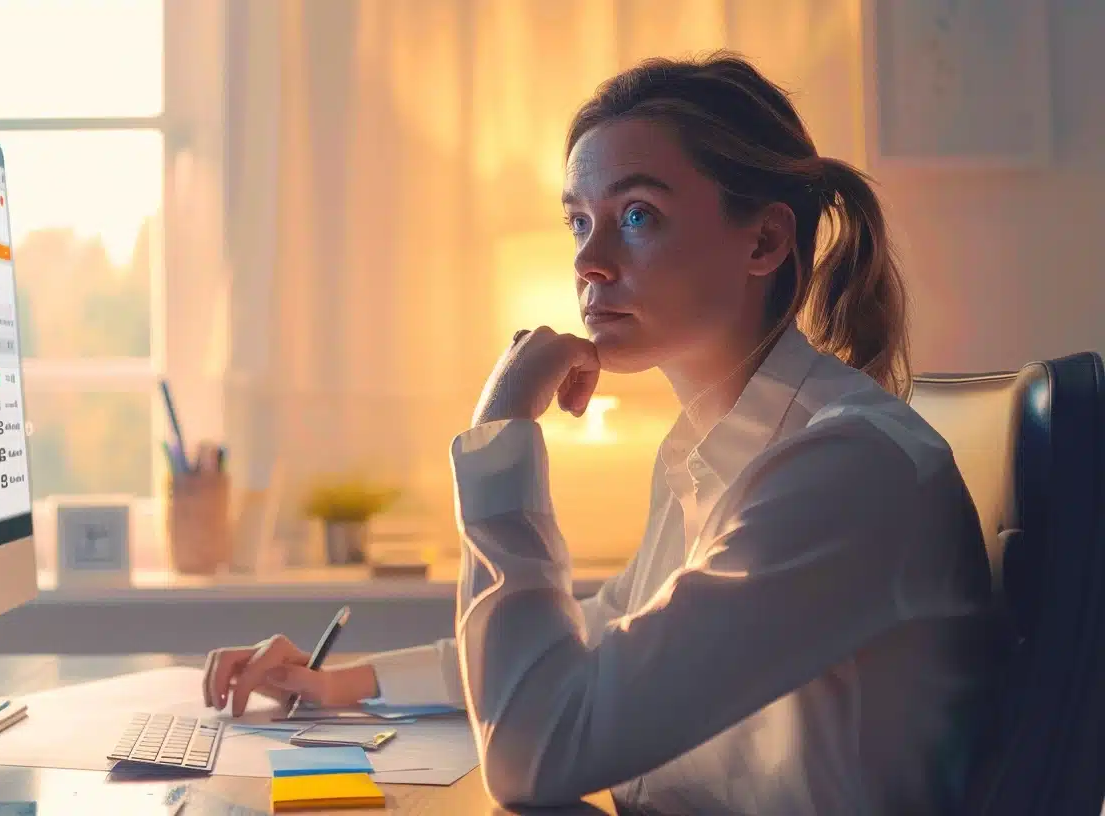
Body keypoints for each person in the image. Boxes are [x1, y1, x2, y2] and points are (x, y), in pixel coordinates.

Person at [202, 53, 1000, 814]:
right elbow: (600, 637)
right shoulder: (708, 449)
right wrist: (343, 682)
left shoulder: (840, 470)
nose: (589, 259)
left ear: (764, 241)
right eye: (580, 220)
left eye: (638, 215)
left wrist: (500, 432)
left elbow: (534, 751)